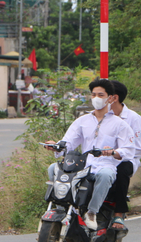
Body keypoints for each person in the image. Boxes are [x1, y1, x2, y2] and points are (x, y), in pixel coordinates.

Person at [45, 79, 135, 230]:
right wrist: (56, 146)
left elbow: (129, 149)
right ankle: (62, 207)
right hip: (83, 165)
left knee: (106, 175)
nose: (96, 98)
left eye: (101, 95)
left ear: (111, 98)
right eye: (93, 95)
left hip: (106, 165)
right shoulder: (82, 121)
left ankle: (92, 212)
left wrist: (114, 152)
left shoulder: (120, 124)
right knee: (52, 168)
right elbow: (68, 142)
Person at [107, 80, 141, 230]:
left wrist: (118, 153)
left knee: (122, 170)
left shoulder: (134, 119)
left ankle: (119, 212)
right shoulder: (101, 116)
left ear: (114, 97)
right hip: (102, 159)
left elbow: (138, 149)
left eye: (102, 94)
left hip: (126, 159)